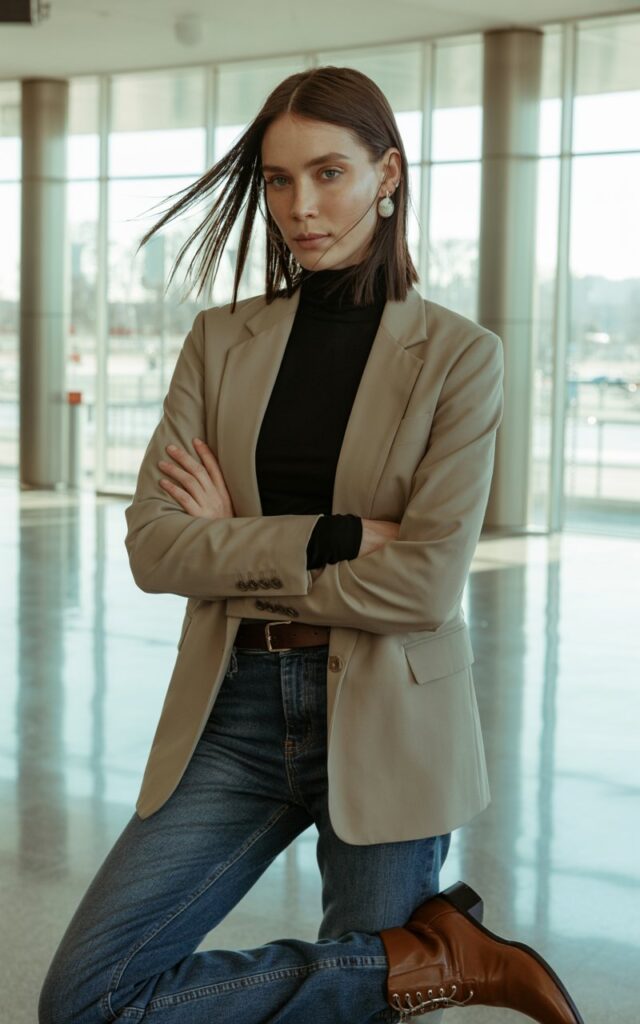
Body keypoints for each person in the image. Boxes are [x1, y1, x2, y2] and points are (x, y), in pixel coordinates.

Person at [38, 66, 584, 1024]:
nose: (301, 205)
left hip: (388, 717)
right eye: (279, 181)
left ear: (388, 175)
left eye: (329, 173)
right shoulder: (219, 341)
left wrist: (237, 552)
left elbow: (423, 585)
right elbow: (153, 548)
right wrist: (333, 539)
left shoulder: (461, 356)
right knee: (88, 1000)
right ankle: (428, 961)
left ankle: (400, 969)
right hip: (233, 711)